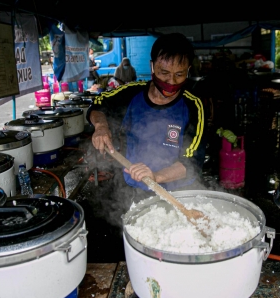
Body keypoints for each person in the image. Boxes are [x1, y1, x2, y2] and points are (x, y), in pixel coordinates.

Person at [87, 33, 207, 205]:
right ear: (152, 67)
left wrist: (155, 177)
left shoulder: (193, 106)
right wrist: (101, 126)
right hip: (135, 188)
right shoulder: (131, 93)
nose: (171, 81)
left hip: (178, 193)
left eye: (179, 74)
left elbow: (192, 162)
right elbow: (98, 104)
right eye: (164, 72)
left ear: (188, 71)